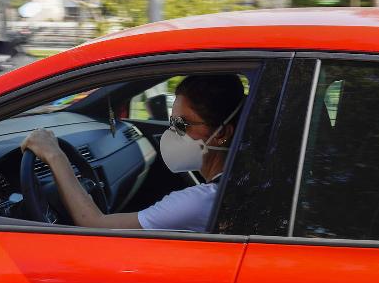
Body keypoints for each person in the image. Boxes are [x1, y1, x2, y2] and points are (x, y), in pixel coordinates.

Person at [21, 75, 245, 232]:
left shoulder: (199, 202)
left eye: (182, 123)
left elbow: (93, 224)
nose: (172, 132)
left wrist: (55, 156)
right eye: (171, 122)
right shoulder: (238, 182)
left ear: (221, 133)